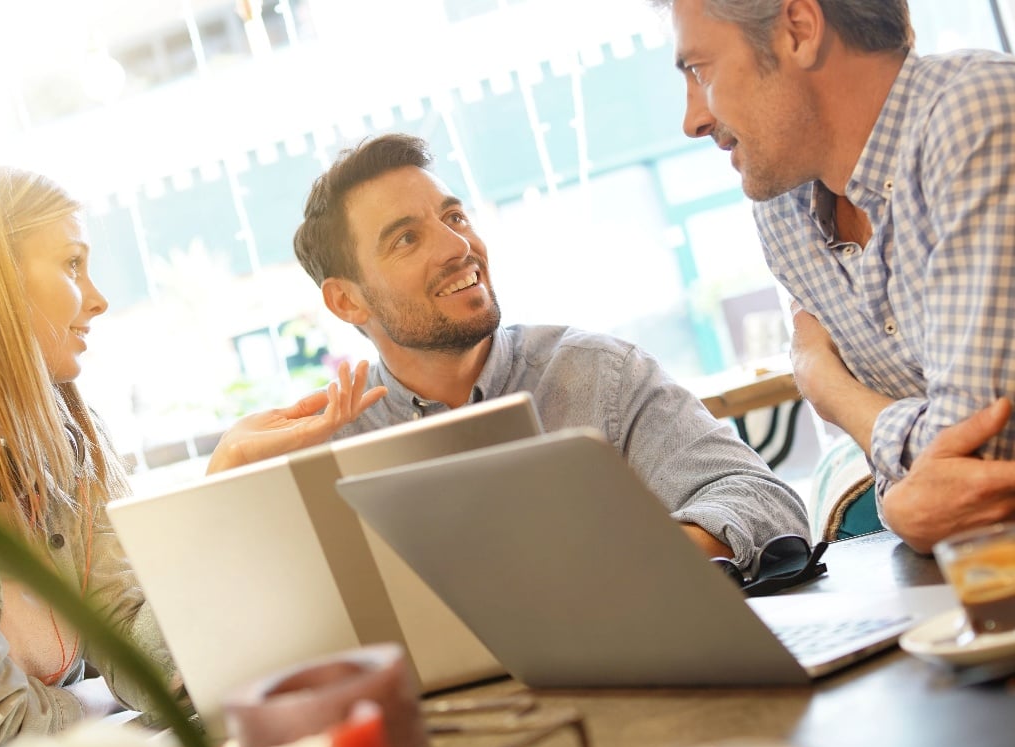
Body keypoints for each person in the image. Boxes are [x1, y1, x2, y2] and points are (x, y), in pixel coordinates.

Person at [0, 164, 382, 747]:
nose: (100, 299)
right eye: (73, 264)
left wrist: (226, 480)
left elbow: (150, 673)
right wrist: (94, 708)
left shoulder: (66, 442)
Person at [292, 132, 809, 567]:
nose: (458, 247)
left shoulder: (599, 375)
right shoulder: (328, 446)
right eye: (406, 239)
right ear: (346, 300)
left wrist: (621, 571)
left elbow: (763, 501)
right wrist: (229, 462)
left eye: (454, 218)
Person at [653, 0, 1015, 552]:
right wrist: (902, 499)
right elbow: (932, 489)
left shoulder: (978, 112)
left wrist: (826, 386)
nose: (692, 121)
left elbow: (987, 456)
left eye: (701, 70)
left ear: (799, 29)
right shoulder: (784, 210)